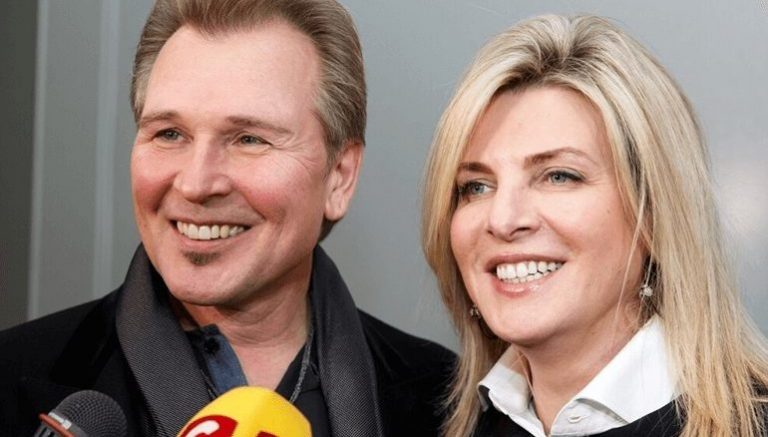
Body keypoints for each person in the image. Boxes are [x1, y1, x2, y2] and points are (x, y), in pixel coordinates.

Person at [0, 1, 454, 436]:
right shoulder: (12, 381)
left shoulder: (447, 405)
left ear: (339, 176)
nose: (196, 183)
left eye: (249, 139)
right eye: (169, 133)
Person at [422, 14, 768, 437]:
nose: (503, 219)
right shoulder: (437, 422)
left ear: (653, 212)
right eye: (476, 186)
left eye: (559, 176)